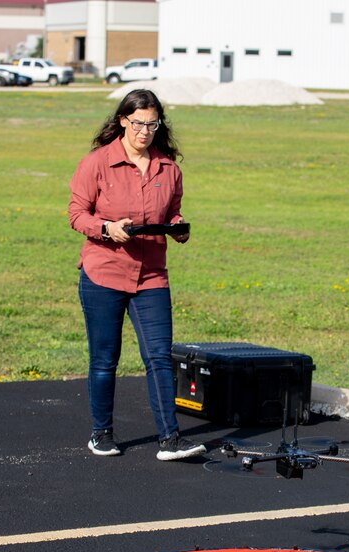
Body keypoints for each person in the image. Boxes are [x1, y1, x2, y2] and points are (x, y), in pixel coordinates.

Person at [68, 89, 206, 461]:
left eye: (152, 124)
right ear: (122, 122)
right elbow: (77, 214)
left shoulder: (169, 169)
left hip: (151, 277)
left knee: (160, 357)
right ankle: (102, 434)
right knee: (104, 360)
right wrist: (107, 228)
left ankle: (170, 439)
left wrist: (178, 227)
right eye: (137, 123)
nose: (144, 131)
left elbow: (173, 212)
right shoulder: (96, 163)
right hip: (103, 273)